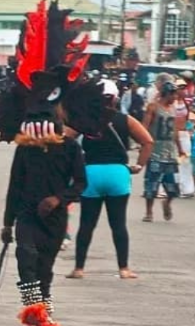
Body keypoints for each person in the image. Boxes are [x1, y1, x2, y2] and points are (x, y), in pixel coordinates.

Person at [0, 0, 99, 326]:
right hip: (26, 213)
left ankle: (44, 315)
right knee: (26, 258)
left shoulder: (70, 148)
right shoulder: (25, 149)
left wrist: (59, 198)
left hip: (54, 216)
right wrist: (8, 223)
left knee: (46, 268)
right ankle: (35, 312)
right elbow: (13, 185)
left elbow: (80, 183)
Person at [66, 80, 154, 281]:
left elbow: (65, 137)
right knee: (118, 224)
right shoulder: (126, 120)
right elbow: (148, 141)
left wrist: (72, 163)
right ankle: (123, 269)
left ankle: (79, 268)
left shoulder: (85, 119)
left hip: (92, 173)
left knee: (87, 223)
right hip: (118, 174)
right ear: (115, 99)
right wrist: (139, 165)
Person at [142, 80, 186, 222]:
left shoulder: (173, 110)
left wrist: (180, 148)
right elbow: (144, 127)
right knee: (152, 184)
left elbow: (175, 131)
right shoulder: (153, 107)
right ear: (166, 94)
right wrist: (144, 144)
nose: (175, 98)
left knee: (173, 187)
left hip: (170, 152)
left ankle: (167, 202)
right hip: (155, 150)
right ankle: (149, 212)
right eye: (173, 94)